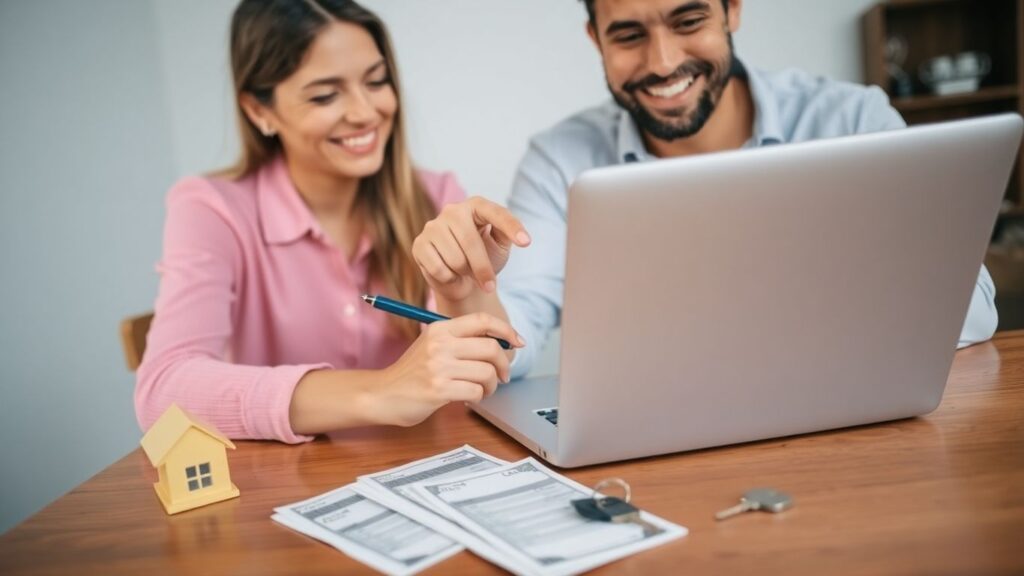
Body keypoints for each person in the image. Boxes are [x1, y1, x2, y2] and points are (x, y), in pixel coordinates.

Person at [411, 0, 998, 380]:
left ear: (732, 10)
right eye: (629, 35)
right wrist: (470, 293)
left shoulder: (848, 119)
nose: (664, 62)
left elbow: (969, 311)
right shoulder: (560, 160)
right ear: (595, 40)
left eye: (688, 21)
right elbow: (513, 347)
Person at [136, 0, 522, 444]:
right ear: (259, 110)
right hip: (285, 486)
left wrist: (462, 293)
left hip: (422, 468)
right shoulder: (211, 209)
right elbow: (163, 389)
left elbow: (495, 366)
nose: (365, 112)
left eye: (376, 81)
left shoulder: (437, 197)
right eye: (325, 95)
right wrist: (380, 390)